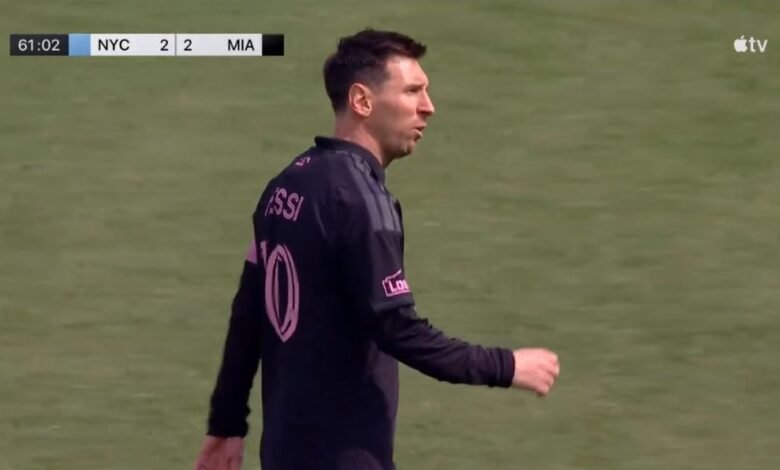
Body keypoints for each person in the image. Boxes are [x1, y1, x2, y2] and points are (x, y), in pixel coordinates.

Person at [194, 28, 560, 470]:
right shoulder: (362, 202)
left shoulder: (284, 186)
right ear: (362, 101)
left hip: (285, 452)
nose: (428, 106)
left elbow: (248, 314)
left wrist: (226, 421)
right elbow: (397, 328)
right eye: (412, 91)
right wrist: (506, 366)